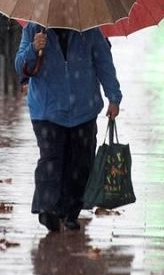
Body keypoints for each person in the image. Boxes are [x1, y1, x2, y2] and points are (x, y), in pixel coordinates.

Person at [15, 24, 121, 232]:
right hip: (47, 109)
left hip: (84, 109)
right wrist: (33, 49)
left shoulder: (90, 30)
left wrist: (114, 97)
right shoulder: (33, 29)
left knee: (81, 163)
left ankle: (70, 211)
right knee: (51, 159)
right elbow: (20, 66)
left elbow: (104, 63)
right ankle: (47, 208)